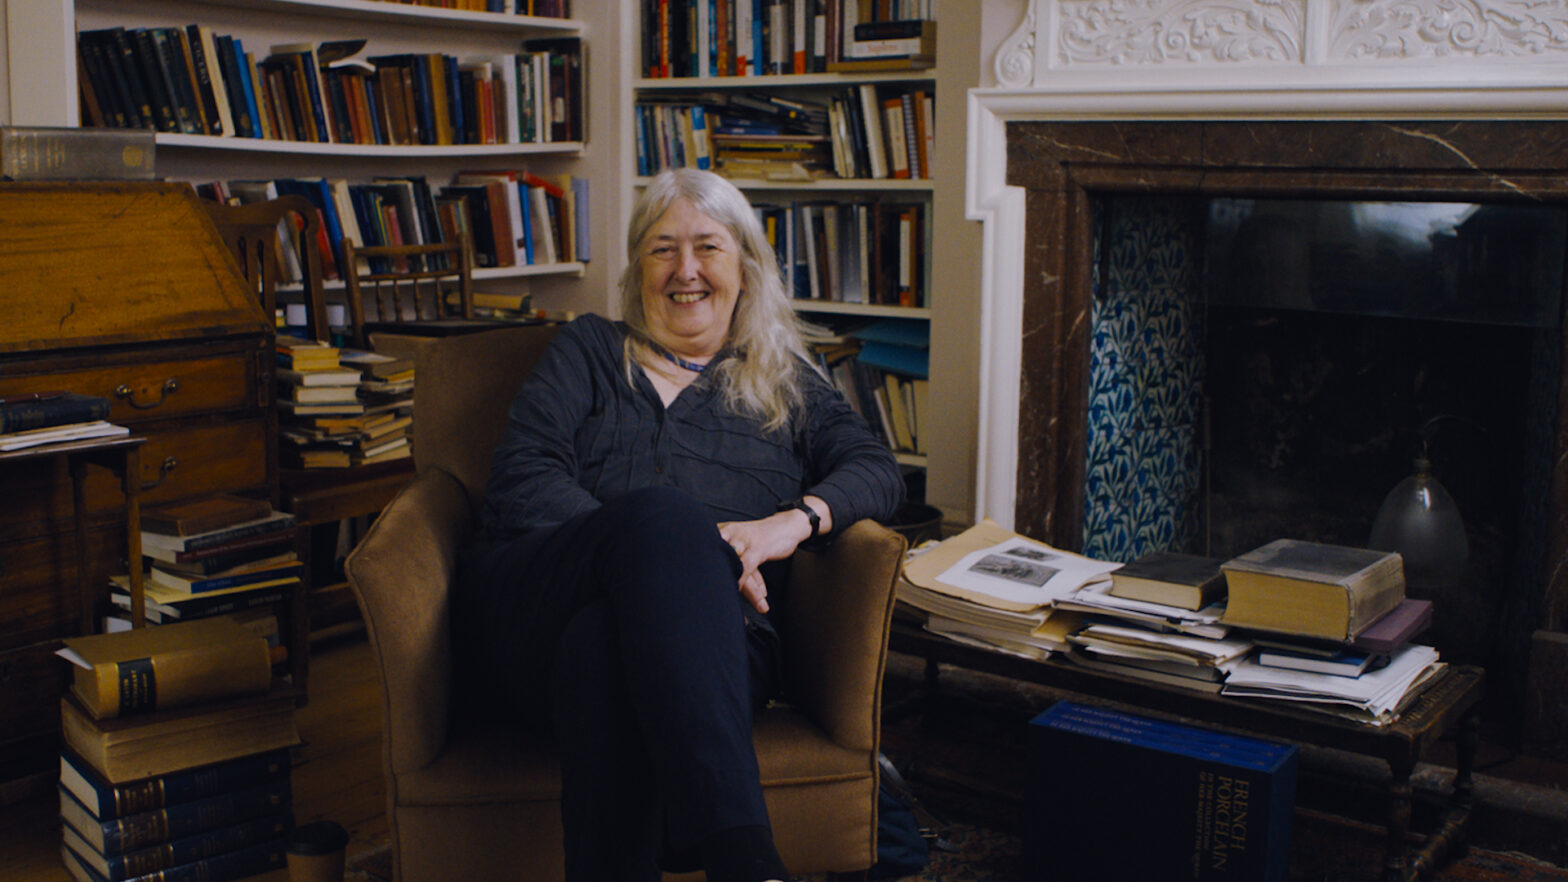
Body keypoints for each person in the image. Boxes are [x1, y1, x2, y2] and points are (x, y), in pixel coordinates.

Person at [452, 167, 905, 882]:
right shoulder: (590, 351)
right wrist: (683, 559)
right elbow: (522, 479)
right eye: (663, 249)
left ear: (746, 268)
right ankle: (744, 857)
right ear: (638, 268)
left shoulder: (784, 379)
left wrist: (792, 522)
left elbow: (878, 470)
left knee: (601, 647)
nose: (685, 270)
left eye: (707, 248)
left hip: (715, 648)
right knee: (665, 522)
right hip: (533, 610)